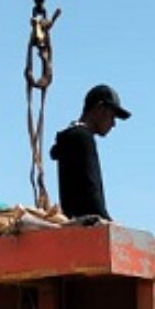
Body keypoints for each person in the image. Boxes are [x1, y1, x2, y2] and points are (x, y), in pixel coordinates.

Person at [50, 84, 131, 221]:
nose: (113, 124)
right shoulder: (83, 138)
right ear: (99, 108)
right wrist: (108, 223)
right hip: (87, 227)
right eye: (112, 116)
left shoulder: (71, 137)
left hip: (72, 224)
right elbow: (90, 193)